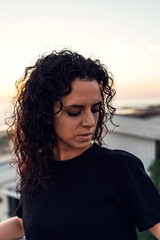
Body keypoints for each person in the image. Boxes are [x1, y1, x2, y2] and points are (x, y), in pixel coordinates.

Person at [0, 49, 160, 240]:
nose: (90, 121)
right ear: (44, 114)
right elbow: (23, 222)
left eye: (95, 109)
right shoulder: (36, 171)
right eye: (75, 111)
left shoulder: (120, 168)